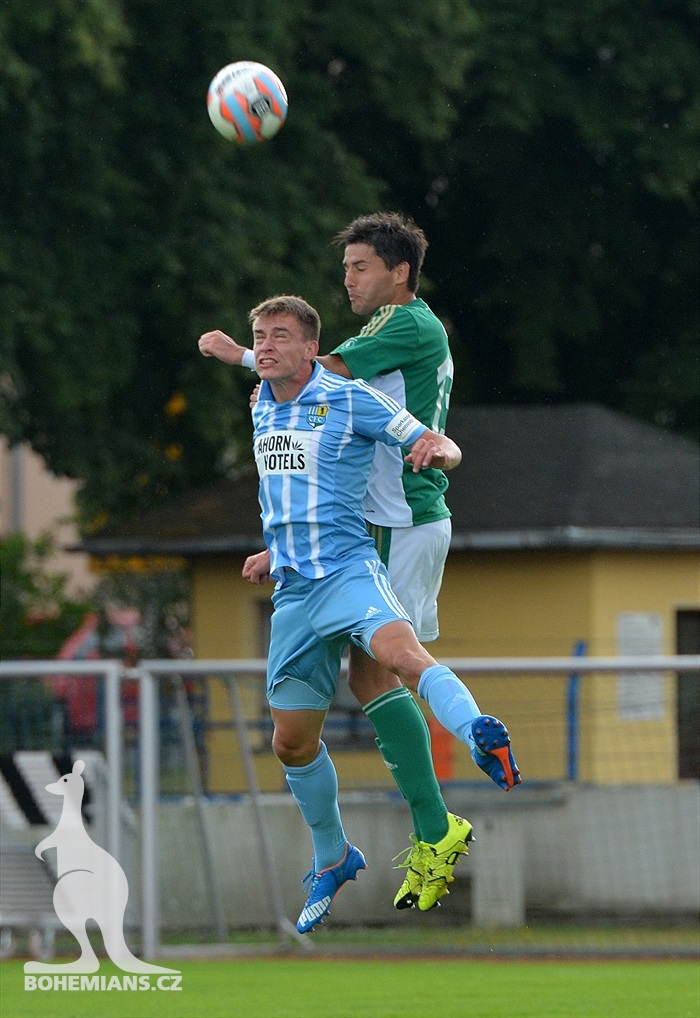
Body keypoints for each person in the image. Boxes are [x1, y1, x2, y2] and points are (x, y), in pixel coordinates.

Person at [199, 214, 520, 911]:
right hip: (368, 525)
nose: (348, 279)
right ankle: (420, 829)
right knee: (361, 681)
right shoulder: (381, 338)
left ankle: (440, 822)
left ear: (399, 273)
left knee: (385, 666)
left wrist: (238, 356)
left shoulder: (402, 325)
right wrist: (281, 545)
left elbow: (324, 376)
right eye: (345, 268)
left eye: (360, 267)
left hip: (401, 517)